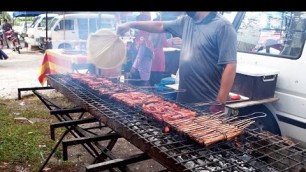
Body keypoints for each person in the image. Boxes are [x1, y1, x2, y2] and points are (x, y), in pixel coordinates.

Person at [117, 12, 237, 113]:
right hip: (184, 100)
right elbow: (160, 25)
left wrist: (220, 102)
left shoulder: (223, 26)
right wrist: (130, 24)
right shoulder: (186, 21)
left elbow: (230, 65)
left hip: (208, 103)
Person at [129, 12, 154, 86]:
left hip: (142, 67)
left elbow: (140, 54)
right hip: (144, 66)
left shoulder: (144, 36)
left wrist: (134, 67)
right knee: (144, 82)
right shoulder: (144, 35)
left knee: (142, 85)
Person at [149, 16, 172, 86]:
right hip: (159, 57)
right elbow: (166, 44)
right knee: (157, 82)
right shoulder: (161, 33)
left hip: (151, 57)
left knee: (151, 80)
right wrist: (171, 41)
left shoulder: (149, 32)